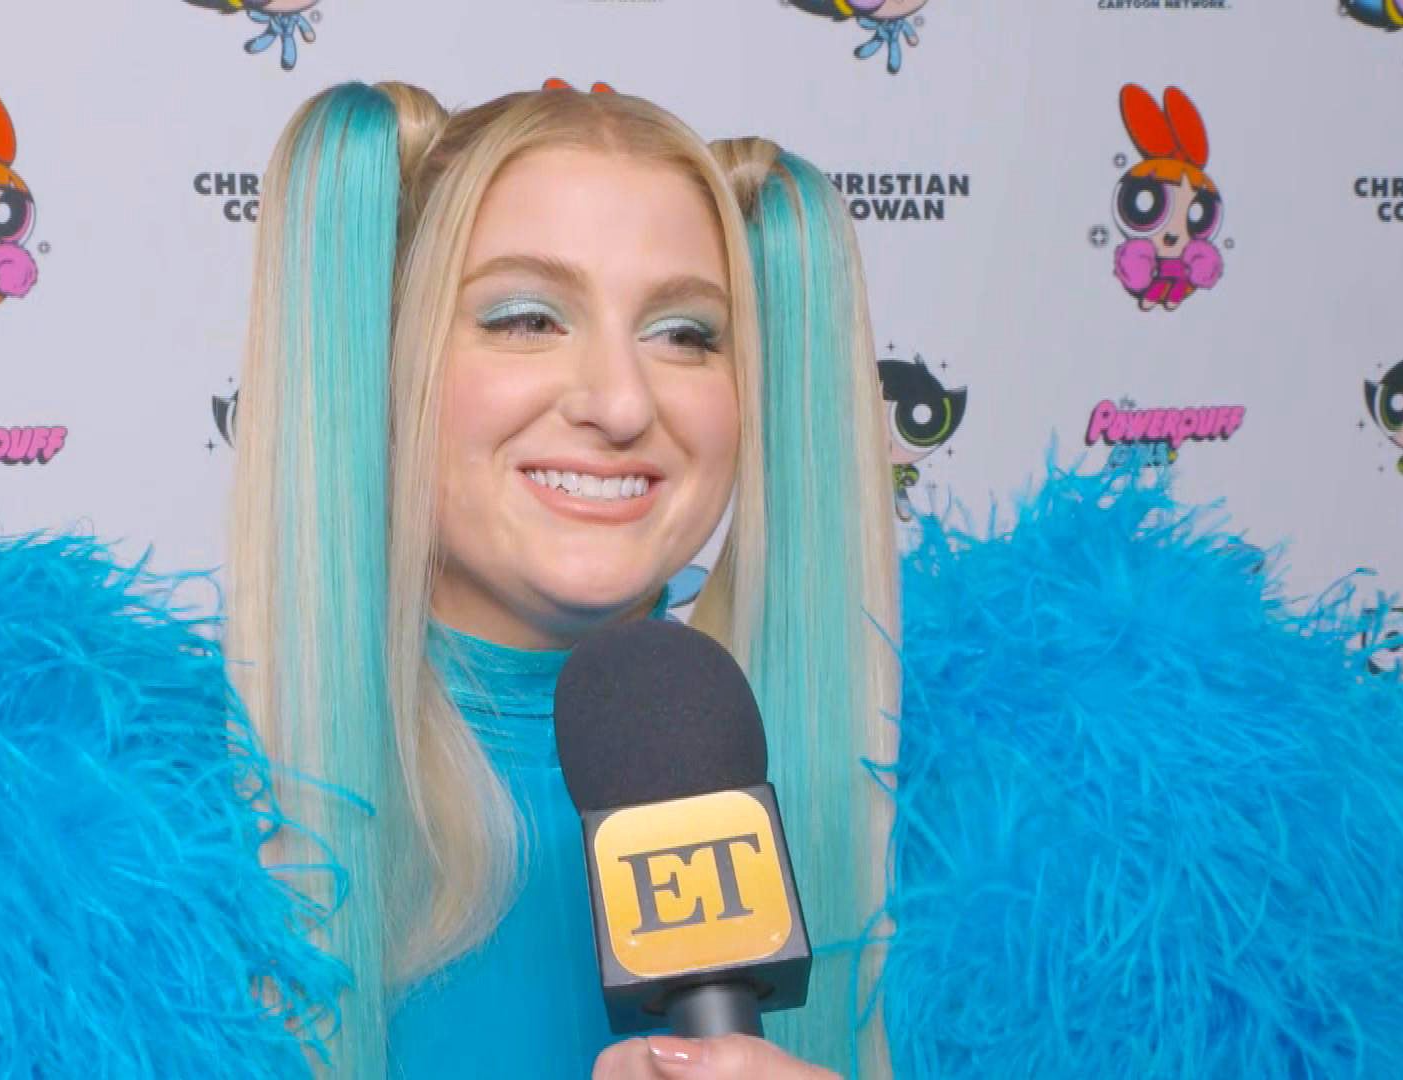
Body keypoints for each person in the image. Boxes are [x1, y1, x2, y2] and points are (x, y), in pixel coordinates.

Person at [223, 81, 900, 1078]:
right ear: (383, 360)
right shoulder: (162, 829)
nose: (621, 404)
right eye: (527, 319)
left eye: (686, 334)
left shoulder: (944, 834)